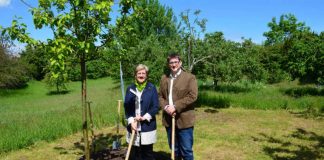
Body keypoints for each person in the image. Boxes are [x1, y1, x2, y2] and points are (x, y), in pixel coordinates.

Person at [159, 53, 198, 160]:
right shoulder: (164, 78)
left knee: (186, 150)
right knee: (174, 150)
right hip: (168, 119)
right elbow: (160, 97)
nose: (173, 65)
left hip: (184, 120)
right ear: (168, 64)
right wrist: (166, 107)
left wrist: (175, 106)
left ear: (180, 63)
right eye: (171, 62)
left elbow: (192, 96)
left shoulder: (190, 77)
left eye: (176, 62)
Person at [124, 64, 159, 160]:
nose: (141, 75)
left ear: (146, 75)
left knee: (147, 153)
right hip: (134, 125)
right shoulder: (130, 88)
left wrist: (145, 116)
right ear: (135, 75)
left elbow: (155, 106)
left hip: (147, 125)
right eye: (139, 73)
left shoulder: (151, 88)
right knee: (135, 153)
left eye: (143, 73)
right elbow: (127, 106)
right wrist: (131, 121)